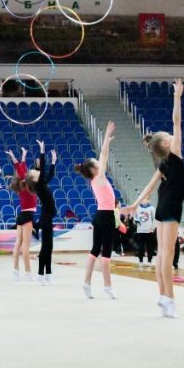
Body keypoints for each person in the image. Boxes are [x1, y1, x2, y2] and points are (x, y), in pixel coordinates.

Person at [123, 79, 184, 318]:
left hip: (161, 206)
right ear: (166, 143)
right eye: (170, 136)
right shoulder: (174, 154)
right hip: (171, 205)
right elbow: (177, 121)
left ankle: (163, 296)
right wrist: (177, 97)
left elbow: (149, 187)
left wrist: (134, 204)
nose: (174, 136)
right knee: (167, 254)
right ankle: (169, 300)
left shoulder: (162, 163)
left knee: (163, 253)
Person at [78, 120, 118, 300]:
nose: (100, 163)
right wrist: (107, 136)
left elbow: (103, 156)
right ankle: (108, 287)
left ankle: (86, 283)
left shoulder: (96, 179)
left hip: (101, 215)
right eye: (97, 163)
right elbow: (104, 155)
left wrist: (108, 141)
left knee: (95, 250)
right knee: (106, 254)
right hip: (106, 216)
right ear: (94, 169)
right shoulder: (99, 177)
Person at [6, 147, 38, 282]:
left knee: (18, 244)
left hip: (21, 216)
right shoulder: (26, 186)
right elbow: (21, 171)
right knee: (25, 246)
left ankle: (15, 271)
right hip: (27, 216)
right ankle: (28, 273)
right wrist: (14, 158)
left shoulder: (23, 186)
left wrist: (23, 156)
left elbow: (22, 170)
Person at [31, 141, 57, 284]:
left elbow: (50, 174)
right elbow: (41, 169)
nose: (38, 172)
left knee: (49, 246)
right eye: (36, 172)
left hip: (48, 218)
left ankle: (48, 274)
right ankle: (41, 274)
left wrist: (53, 162)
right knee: (46, 247)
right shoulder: (38, 184)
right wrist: (42, 150)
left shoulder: (43, 183)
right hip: (46, 218)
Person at [133, 201, 157, 271]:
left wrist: (152, 228)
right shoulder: (137, 208)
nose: (144, 201)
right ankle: (140, 261)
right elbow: (134, 218)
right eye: (143, 199)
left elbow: (155, 219)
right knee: (140, 247)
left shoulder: (152, 208)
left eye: (146, 199)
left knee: (150, 247)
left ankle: (149, 261)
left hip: (149, 231)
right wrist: (136, 221)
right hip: (140, 231)